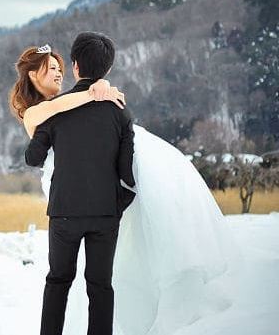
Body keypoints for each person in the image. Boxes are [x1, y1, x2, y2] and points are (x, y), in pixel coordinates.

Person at [12, 36, 236, 335]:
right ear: (107, 68)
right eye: (50, 68)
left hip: (65, 211)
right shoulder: (113, 110)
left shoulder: (55, 113)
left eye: (59, 68)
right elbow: (126, 173)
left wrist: (94, 90)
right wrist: (115, 206)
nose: (57, 73)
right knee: (101, 285)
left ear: (75, 67)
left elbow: (33, 157)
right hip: (104, 214)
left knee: (58, 280)